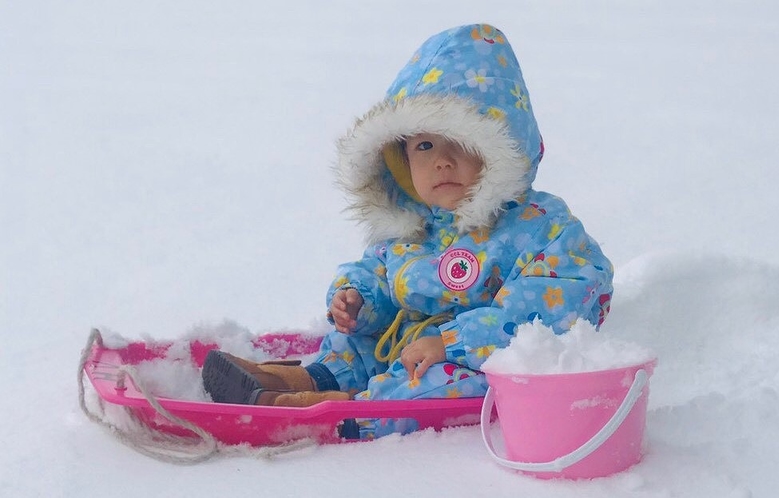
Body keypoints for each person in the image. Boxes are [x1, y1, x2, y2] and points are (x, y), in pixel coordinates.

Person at [201, 23, 614, 439]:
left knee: (444, 382)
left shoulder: (540, 225)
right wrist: (356, 299)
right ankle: (308, 381)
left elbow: (552, 306)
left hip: (476, 356)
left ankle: (343, 415)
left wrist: (451, 343)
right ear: (400, 160)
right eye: (424, 146)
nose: (443, 161)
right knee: (359, 344)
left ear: (499, 148)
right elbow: (379, 272)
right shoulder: (412, 224)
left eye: (462, 142)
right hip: (408, 345)